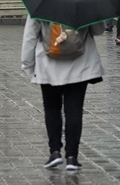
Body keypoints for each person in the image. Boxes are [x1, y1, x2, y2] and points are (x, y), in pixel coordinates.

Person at [22, 18, 105, 173]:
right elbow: (98, 30)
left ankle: (55, 152)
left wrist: (27, 63)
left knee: (51, 107)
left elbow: (30, 34)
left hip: (48, 61)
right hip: (80, 61)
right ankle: (72, 157)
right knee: (74, 109)